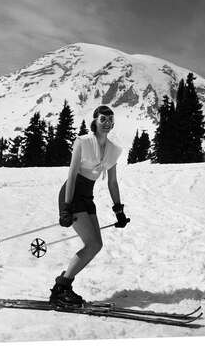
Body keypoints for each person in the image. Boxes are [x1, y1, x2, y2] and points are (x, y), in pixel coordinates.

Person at [49, 105, 130, 307]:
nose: (107, 123)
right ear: (94, 120)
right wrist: (66, 207)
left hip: (87, 197)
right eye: (103, 119)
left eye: (110, 119)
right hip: (73, 193)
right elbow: (71, 174)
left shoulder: (112, 150)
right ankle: (62, 288)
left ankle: (65, 281)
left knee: (96, 245)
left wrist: (118, 209)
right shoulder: (83, 142)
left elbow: (112, 182)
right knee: (92, 244)